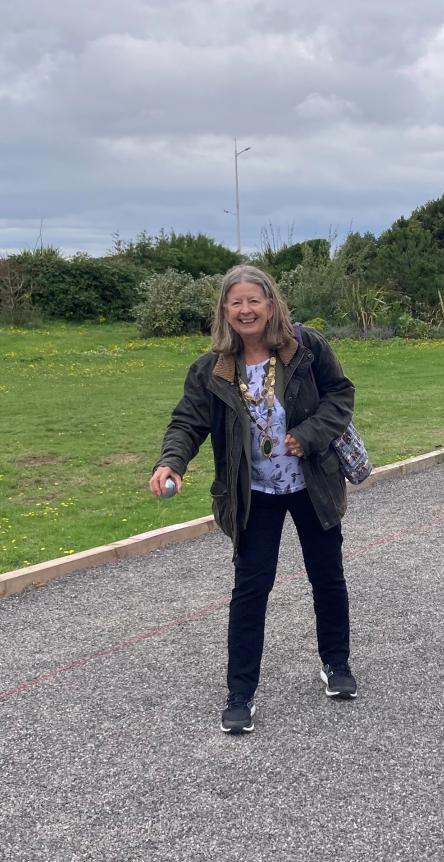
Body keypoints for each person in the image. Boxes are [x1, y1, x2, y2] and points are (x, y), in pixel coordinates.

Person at [150, 265, 358, 734]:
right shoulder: (212, 370)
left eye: (253, 301)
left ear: (271, 304)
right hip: (253, 496)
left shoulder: (305, 349)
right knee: (249, 592)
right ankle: (240, 693)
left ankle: (336, 665)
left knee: (327, 578)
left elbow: (341, 396)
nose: (245, 310)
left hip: (312, 486)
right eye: (235, 302)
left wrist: (309, 434)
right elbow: (187, 422)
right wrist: (172, 462)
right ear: (225, 310)